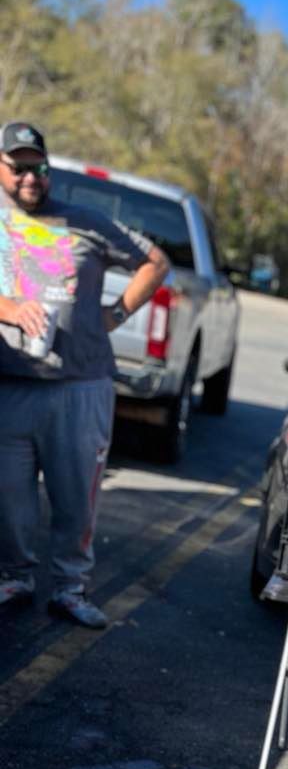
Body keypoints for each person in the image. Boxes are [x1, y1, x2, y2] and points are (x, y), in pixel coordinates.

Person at [0, 121, 169, 627]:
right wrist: (7, 308)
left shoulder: (86, 222)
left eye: (38, 167)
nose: (31, 177)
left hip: (81, 386)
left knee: (76, 498)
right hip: (12, 385)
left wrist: (115, 315)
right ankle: (15, 575)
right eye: (18, 167)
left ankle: (71, 587)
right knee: (9, 495)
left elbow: (156, 263)